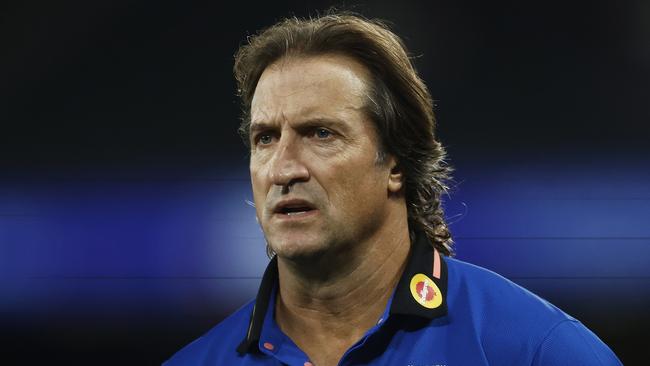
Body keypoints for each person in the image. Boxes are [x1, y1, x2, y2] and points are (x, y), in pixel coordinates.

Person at [165, 12, 621, 366]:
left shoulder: (534, 348)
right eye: (265, 138)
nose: (283, 169)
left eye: (321, 134)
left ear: (397, 163)